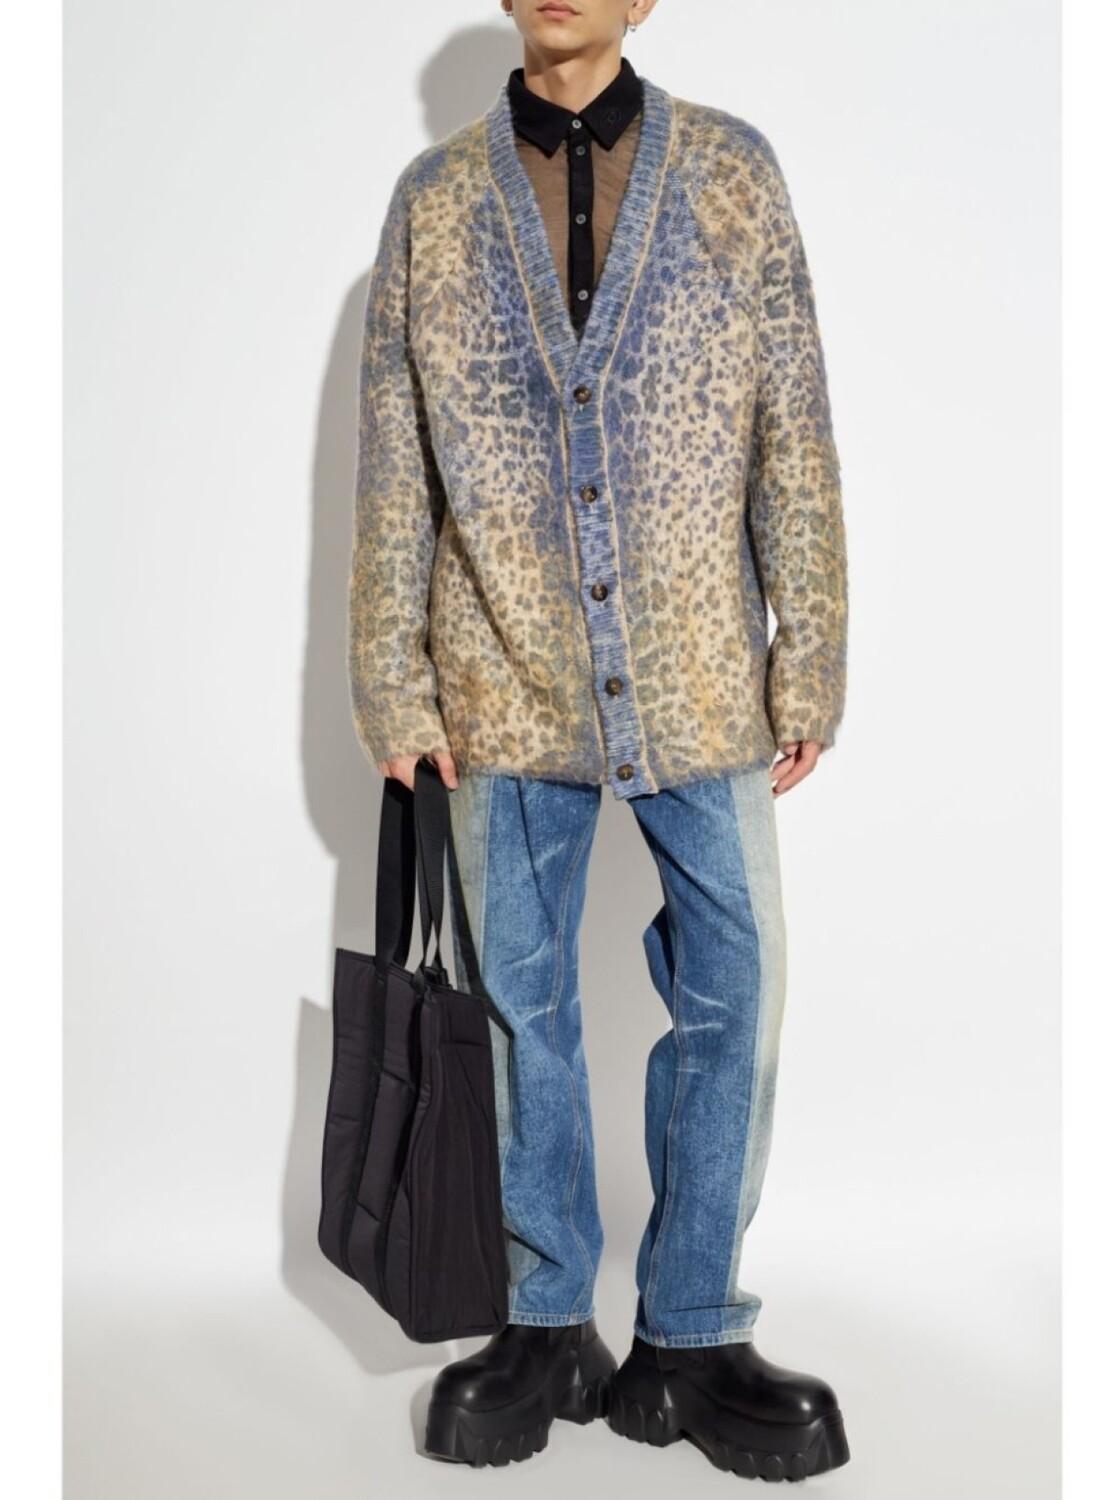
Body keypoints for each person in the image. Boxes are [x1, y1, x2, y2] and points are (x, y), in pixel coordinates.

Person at [347, 0, 850, 1480]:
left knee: (736, 993)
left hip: (701, 676)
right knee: (521, 1006)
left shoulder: (733, 173)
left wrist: (811, 653)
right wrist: (392, 681)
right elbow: (394, 457)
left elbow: (794, 424)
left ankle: (691, 1330)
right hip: (500, 677)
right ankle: (545, 1319)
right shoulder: (435, 201)